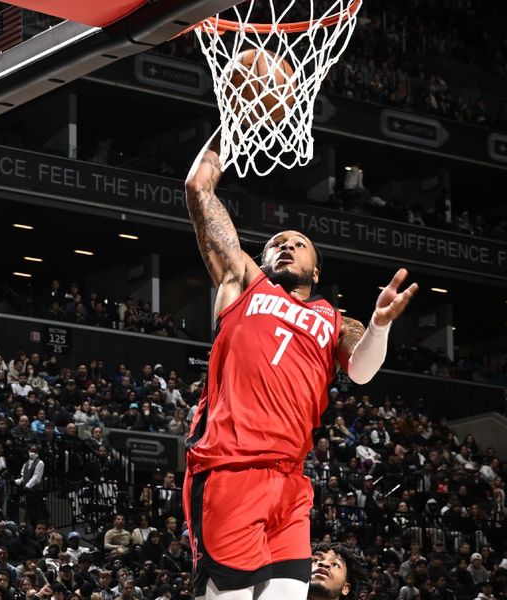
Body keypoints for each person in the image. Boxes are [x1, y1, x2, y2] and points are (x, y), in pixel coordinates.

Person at [182, 135, 417, 600]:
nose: (286, 246)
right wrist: (235, 125)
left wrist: (381, 324)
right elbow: (198, 189)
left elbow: (364, 370)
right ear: (264, 259)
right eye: (276, 243)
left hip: (290, 482)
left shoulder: (335, 320)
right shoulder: (243, 283)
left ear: (315, 272)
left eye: (299, 243)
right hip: (230, 469)